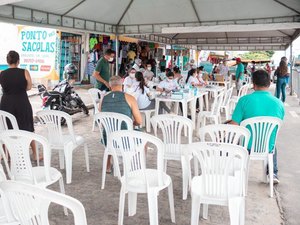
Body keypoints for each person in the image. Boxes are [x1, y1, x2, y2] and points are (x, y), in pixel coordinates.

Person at [230, 70, 285, 183]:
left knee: (228, 133)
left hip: (246, 146)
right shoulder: (279, 103)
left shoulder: (244, 100)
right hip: (267, 147)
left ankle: (229, 168)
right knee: (272, 142)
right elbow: (276, 125)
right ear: (269, 84)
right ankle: (272, 173)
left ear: (253, 84)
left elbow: (234, 126)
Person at [0, 50, 39, 160]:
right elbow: (29, 87)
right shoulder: (24, 72)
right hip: (22, 102)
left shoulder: (2, 73)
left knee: (6, 128)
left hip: (6, 104)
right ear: (18, 61)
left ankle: (4, 154)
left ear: (7, 61)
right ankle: (35, 154)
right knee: (27, 128)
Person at [99, 75, 142, 173]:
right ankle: (137, 167)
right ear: (122, 84)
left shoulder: (103, 99)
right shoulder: (130, 98)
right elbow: (139, 121)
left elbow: (103, 119)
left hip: (108, 138)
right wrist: (132, 123)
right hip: (125, 139)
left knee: (111, 130)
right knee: (144, 141)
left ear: (110, 86)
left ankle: (108, 166)